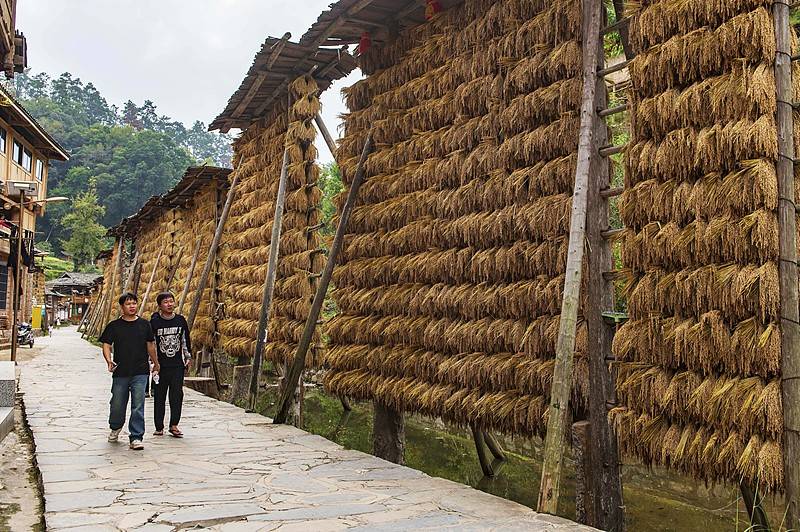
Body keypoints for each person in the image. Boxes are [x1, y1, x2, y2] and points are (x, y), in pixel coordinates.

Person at [100, 292, 159, 450]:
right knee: (117, 404)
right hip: (121, 371)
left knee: (138, 404)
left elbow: (150, 345)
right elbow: (106, 344)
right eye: (128, 304)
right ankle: (115, 427)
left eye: (134, 303)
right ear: (121, 307)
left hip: (140, 371)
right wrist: (108, 360)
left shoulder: (145, 324)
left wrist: (156, 363)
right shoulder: (114, 326)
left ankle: (136, 436)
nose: (132, 306)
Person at [150, 291, 192, 438]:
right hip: (160, 366)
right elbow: (151, 344)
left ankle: (174, 425)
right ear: (160, 305)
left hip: (177, 365)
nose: (169, 304)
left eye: (171, 301)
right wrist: (153, 364)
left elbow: (185, 340)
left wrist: (187, 357)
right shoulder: (155, 322)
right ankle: (159, 426)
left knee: (176, 395)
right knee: (159, 397)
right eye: (166, 302)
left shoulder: (180, 321)